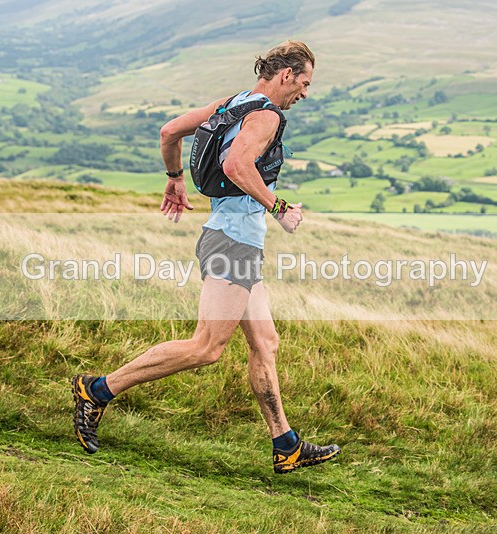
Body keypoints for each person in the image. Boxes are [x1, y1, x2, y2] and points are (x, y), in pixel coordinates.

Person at [72, 40, 340, 474]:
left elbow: (170, 131)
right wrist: (279, 209)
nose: (305, 93)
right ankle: (97, 390)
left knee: (265, 343)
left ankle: (285, 444)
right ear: (286, 74)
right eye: (304, 82)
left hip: (235, 240)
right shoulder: (267, 115)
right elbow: (237, 166)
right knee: (206, 347)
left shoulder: (233, 104)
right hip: (233, 242)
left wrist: (175, 178)